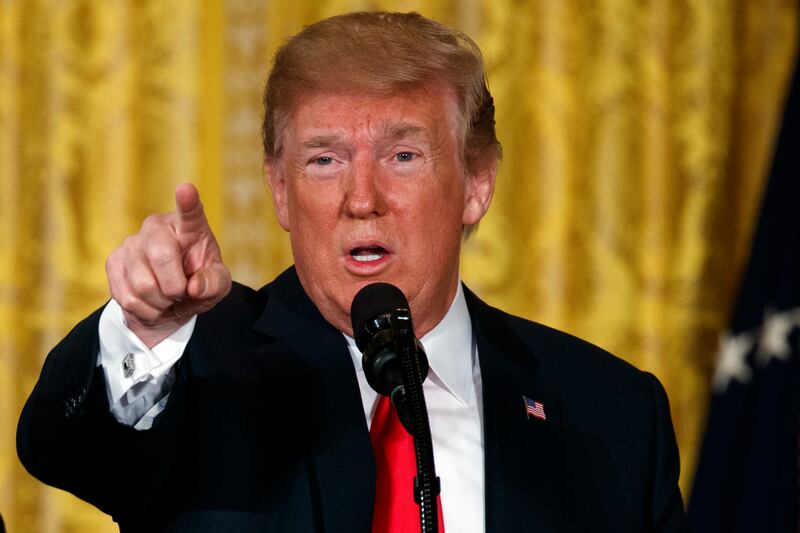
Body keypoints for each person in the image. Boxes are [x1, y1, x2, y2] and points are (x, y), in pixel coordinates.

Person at [17, 11, 689, 533]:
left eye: (402, 155)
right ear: (280, 191)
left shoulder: (612, 415)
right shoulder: (200, 369)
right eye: (324, 160)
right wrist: (146, 328)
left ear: (477, 184)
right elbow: (60, 445)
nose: (361, 199)